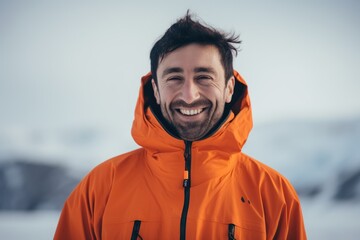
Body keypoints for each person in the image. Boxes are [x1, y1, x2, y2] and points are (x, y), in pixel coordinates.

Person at [54, 12, 307, 240]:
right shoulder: (100, 189)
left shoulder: (273, 195)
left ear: (229, 88)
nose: (188, 94)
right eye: (174, 78)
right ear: (155, 88)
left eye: (204, 77)